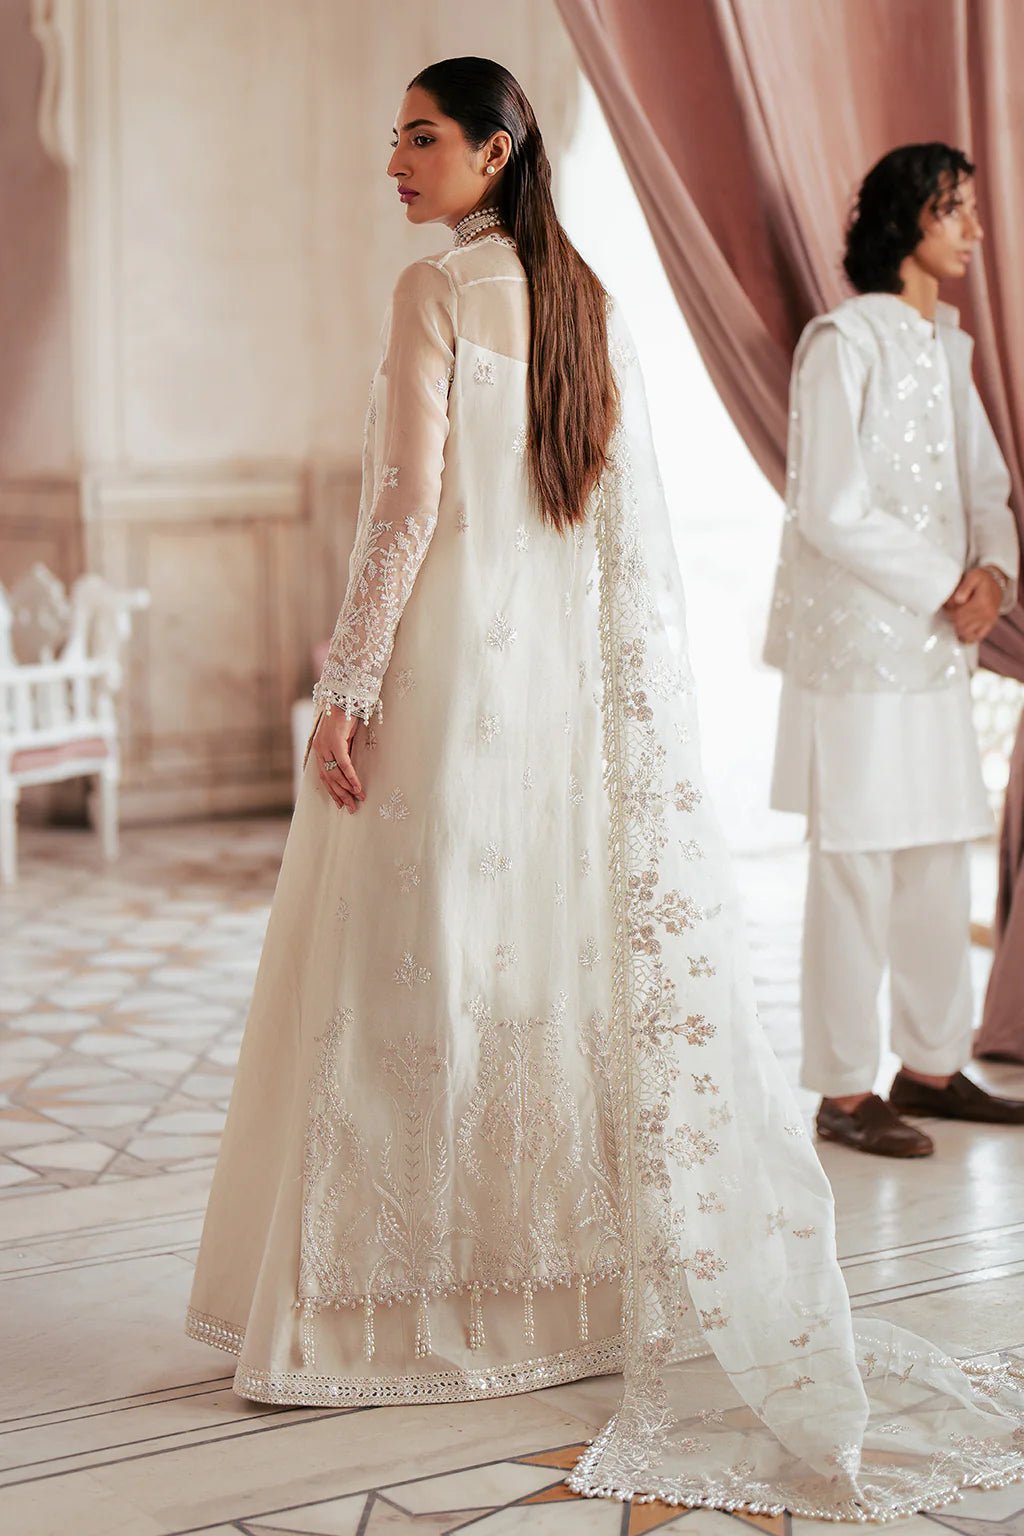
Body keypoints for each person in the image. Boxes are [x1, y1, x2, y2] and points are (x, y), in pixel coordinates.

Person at [188, 76, 1024, 1515]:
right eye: (396, 135)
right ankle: (552, 1298)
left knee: (414, 975)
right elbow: (621, 547)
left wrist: (350, 686)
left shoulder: (436, 292)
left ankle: (383, 1312)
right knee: (535, 979)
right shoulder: (585, 297)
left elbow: (406, 507)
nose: (391, 160)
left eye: (420, 137)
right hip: (563, 697)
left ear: (493, 153)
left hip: (454, 675)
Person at [766, 143, 1024, 1159]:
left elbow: (986, 493)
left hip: (933, 656)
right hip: (855, 655)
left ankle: (927, 1065)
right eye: (953, 210)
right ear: (905, 220)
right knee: (856, 867)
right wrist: (940, 587)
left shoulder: (946, 346)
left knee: (929, 859)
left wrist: (992, 580)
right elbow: (828, 506)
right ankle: (839, 1091)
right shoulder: (842, 343)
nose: (970, 229)